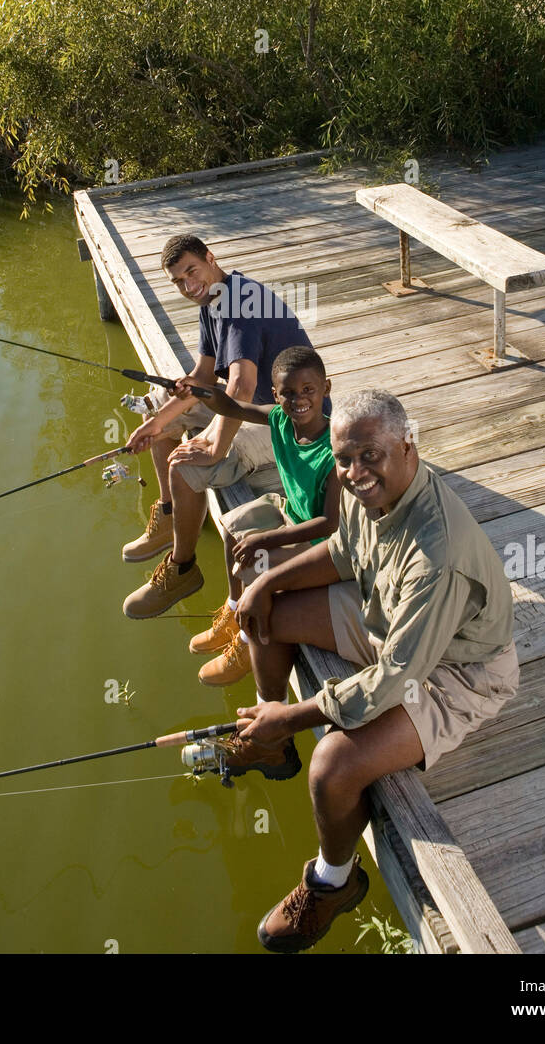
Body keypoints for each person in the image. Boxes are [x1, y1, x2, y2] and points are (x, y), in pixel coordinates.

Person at [219, 388, 519, 954]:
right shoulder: (367, 491)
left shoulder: (439, 556)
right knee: (267, 614)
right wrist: (263, 583)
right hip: (392, 619)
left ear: (408, 447)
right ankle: (268, 738)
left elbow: (396, 677)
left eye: (369, 456)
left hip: (455, 671)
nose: (355, 473)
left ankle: (335, 881)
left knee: (332, 766)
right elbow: (342, 551)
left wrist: (296, 715)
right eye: (344, 459)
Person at [120, 234, 318, 619]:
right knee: (160, 411)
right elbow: (204, 377)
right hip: (248, 404)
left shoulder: (239, 304)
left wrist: (215, 446)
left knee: (189, 464)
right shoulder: (213, 302)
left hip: (289, 420)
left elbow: (240, 385)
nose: (187, 285)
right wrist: (155, 424)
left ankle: (182, 569)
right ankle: (170, 513)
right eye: (177, 280)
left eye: (191, 271)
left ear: (211, 259)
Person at [172, 344, 341, 686]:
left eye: (309, 390)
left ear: (326, 388)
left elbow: (330, 523)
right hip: (290, 511)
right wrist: (201, 393)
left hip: (323, 541)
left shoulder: (336, 450)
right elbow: (232, 405)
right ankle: (234, 611)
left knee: (253, 562)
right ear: (276, 394)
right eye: (288, 393)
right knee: (232, 528)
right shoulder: (279, 418)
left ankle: (248, 645)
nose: (298, 400)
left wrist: (266, 538)